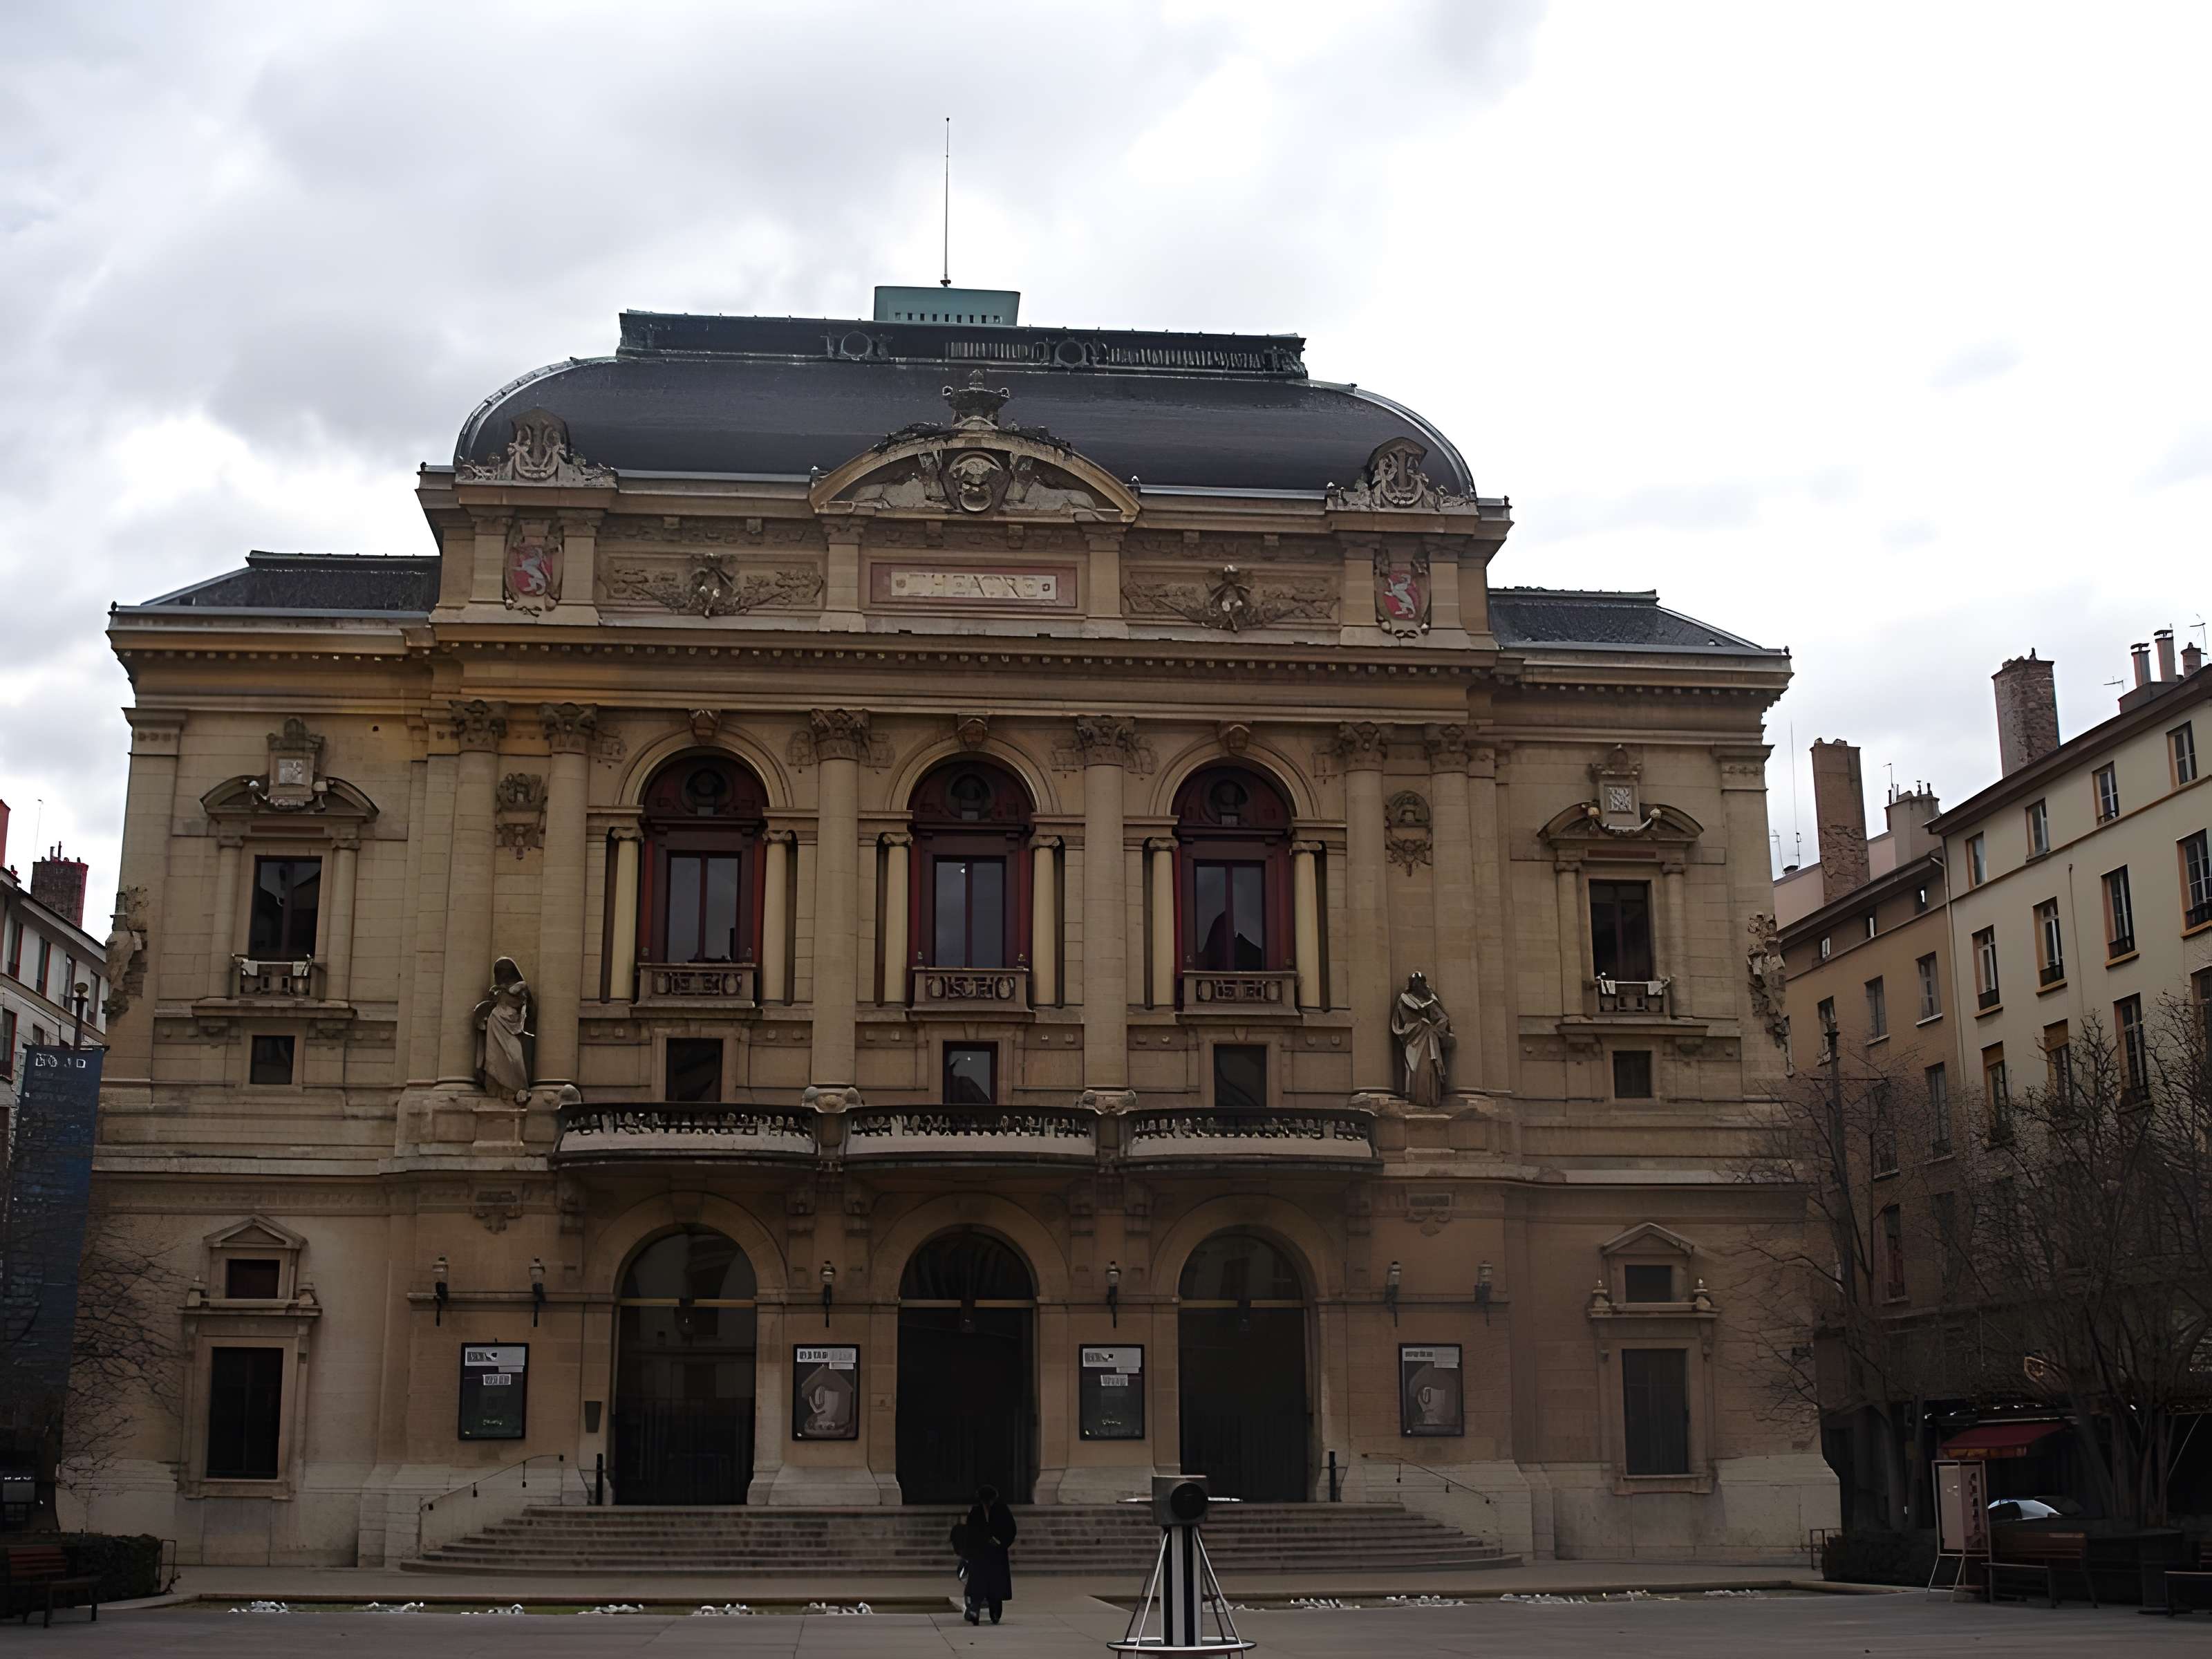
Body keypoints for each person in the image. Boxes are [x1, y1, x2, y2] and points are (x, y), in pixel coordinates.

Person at [955, 1483, 1016, 1624]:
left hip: (996, 1554)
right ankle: (974, 1611)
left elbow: (1010, 1530)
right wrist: (969, 1552)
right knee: (977, 1584)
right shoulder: (976, 1512)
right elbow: (970, 1533)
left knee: (996, 1585)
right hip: (980, 1554)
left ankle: (995, 1612)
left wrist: (1001, 1542)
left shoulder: (1002, 1510)